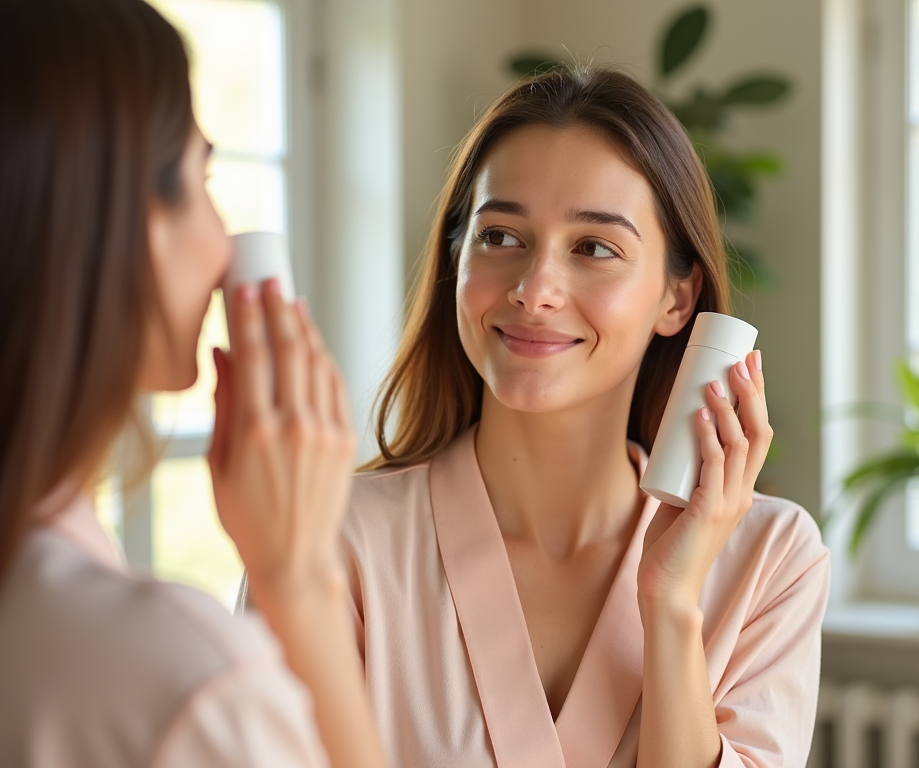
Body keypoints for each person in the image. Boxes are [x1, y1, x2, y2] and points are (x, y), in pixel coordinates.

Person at [335, 68, 830, 767]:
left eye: (594, 247)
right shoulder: (337, 541)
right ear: (456, 259)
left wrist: (673, 605)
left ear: (677, 299)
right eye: (500, 236)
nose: (534, 290)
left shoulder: (771, 558)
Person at [0, 1, 385, 766]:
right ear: (106, 221)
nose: (221, 244)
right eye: (198, 178)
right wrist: (299, 582)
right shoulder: (191, 684)